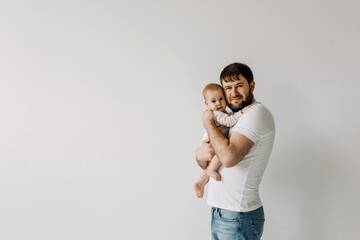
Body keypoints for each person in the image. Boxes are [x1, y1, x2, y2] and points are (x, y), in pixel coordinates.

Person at [195, 63, 275, 240]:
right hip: (225, 212)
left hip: (237, 215)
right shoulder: (230, 117)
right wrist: (199, 155)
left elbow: (228, 158)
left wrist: (208, 123)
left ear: (251, 86)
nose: (233, 92)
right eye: (228, 88)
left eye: (239, 85)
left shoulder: (255, 114)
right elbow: (208, 158)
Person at [194, 83, 251, 199]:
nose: (219, 103)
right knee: (221, 153)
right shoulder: (215, 114)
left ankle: (200, 182)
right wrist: (241, 112)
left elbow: (228, 117)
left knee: (211, 162)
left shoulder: (221, 113)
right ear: (207, 104)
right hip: (211, 142)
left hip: (209, 140)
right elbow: (229, 121)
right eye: (213, 101)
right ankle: (212, 170)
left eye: (221, 99)